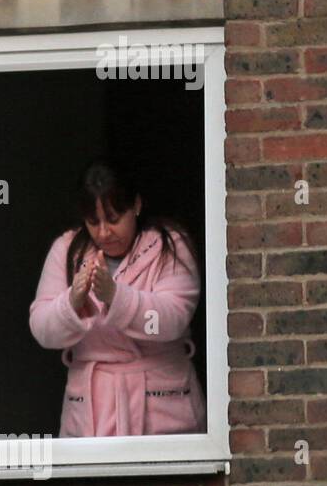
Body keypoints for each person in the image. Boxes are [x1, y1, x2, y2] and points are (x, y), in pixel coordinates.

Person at [29, 157, 206, 437]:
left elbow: (173, 318)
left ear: (136, 205)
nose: (103, 232)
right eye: (93, 221)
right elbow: (42, 331)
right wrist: (72, 302)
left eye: (113, 219)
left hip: (163, 413)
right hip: (90, 417)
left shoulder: (169, 246)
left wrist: (115, 296)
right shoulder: (66, 251)